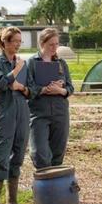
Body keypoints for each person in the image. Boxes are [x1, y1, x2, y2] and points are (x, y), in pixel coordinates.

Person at [0, 27, 30, 204]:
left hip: (22, 112)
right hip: (4, 113)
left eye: (20, 41)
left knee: (18, 155)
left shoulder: (22, 63)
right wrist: (15, 72)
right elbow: (1, 84)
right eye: (15, 41)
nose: (18, 45)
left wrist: (23, 88)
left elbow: (31, 88)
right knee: (1, 155)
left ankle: (12, 201)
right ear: (4, 42)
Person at [25, 28, 74, 169]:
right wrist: (44, 89)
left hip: (60, 112)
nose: (54, 48)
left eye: (56, 44)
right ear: (42, 43)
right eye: (51, 44)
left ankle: (53, 188)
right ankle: (42, 185)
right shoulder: (32, 63)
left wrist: (61, 90)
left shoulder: (62, 63)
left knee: (58, 152)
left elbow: (70, 88)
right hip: (39, 112)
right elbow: (28, 87)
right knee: (39, 152)